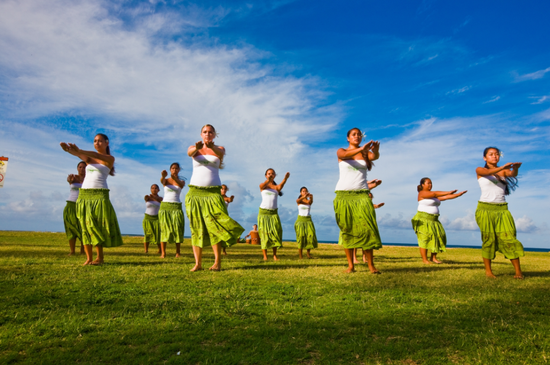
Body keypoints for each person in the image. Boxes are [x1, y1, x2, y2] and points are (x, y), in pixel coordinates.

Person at [186, 124, 244, 271]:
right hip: (195, 193)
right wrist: (198, 148)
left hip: (213, 193)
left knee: (216, 226)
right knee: (196, 227)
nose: (207, 134)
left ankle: (217, 262)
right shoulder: (193, 148)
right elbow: (190, 153)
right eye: (205, 132)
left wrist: (211, 147)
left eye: (210, 132)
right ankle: (198, 263)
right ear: (201, 134)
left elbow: (220, 152)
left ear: (214, 135)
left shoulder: (220, 149)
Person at [59, 133, 123, 265]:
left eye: (100, 141)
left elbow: (97, 155)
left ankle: (99, 258)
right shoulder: (89, 159)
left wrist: (79, 151)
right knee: (85, 225)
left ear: (107, 143)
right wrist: (68, 150)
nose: (97, 143)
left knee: (96, 225)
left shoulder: (109, 158)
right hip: (84, 195)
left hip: (100, 194)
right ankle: (88, 258)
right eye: (94, 141)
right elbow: (79, 155)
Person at [334, 128, 382, 274]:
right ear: (348, 138)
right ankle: (350, 266)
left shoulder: (365, 154)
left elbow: (375, 157)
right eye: (354, 134)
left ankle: (371, 266)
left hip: (362, 195)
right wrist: (362, 148)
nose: (357, 136)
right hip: (343, 195)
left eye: (359, 134)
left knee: (367, 228)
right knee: (347, 230)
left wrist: (376, 150)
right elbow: (346, 154)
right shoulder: (341, 151)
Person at [475, 147, 524, 279]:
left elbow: (512, 174)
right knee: (488, 240)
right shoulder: (480, 170)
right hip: (484, 209)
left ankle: (518, 272)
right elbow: (490, 172)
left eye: (497, 154)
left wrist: (516, 168)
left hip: (502, 210)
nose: (494, 156)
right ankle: (488, 272)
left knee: (510, 238)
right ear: (485, 158)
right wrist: (502, 167)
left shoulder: (503, 171)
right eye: (491, 154)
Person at [411, 177, 467, 264]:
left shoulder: (434, 196)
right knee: (424, 238)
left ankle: (433, 258)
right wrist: (448, 191)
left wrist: (458, 194)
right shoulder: (422, 193)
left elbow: (446, 197)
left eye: (431, 183)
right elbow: (435, 193)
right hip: (423, 219)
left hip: (434, 219)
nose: (430, 185)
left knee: (439, 236)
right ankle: (424, 260)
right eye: (428, 183)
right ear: (422, 185)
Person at [258, 168, 290, 261]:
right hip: (263, 213)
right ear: (266, 175)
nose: (270, 175)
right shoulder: (262, 186)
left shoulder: (276, 188)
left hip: (274, 213)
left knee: (275, 233)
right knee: (264, 234)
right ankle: (265, 256)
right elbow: (263, 184)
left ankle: (274, 255)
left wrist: (285, 178)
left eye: (272, 174)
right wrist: (268, 180)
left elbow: (281, 185)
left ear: (275, 176)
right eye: (268, 173)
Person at [353, 179, 384, 264]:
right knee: (356, 239)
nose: (369, 199)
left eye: (370, 198)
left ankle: (364, 257)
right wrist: (369, 183)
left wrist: (377, 206)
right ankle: (354, 258)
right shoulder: (359, 201)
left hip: (367, 222)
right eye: (368, 197)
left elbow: (373, 206)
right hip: (358, 221)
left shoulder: (370, 204)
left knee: (366, 240)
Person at [159, 163, 185, 258]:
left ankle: (178, 252)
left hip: (176, 206)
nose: (174, 170)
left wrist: (174, 178)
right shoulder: (166, 180)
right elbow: (162, 181)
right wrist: (163, 176)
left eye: (176, 168)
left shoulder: (181, 181)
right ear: (170, 170)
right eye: (172, 168)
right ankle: (163, 253)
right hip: (165, 206)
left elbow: (180, 185)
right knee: (164, 229)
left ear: (179, 170)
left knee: (177, 229)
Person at [63, 161, 86, 256]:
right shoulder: (73, 177)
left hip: (83, 205)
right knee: (71, 228)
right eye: (80, 167)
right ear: (77, 168)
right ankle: (72, 251)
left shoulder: (89, 179)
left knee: (83, 228)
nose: (82, 169)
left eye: (84, 167)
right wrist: (70, 180)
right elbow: (69, 181)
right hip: (71, 204)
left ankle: (83, 251)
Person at [295, 187, 318, 259]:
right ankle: (300, 255)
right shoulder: (299, 201)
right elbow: (297, 200)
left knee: (310, 236)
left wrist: (311, 197)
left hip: (308, 220)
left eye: (306, 191)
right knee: (301, 237)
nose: (304, 192)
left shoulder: (308, 202)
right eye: (303, 191)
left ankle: (308, 254)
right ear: (300, 193)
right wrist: (303, 197)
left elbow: (311, 201)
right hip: (300, 220)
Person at [143, 184, 163, 254]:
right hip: (148, 217)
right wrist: (148, 198)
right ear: (150, 189)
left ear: (158, 190)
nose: (154, 189)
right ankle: (146, 250)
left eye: (155, 188)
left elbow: (161, 201)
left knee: (158, 234)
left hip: (157, 218)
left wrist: (154, 198)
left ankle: (160, 250)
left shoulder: (161, 198)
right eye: (152, 188)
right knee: (147, 234)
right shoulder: (147, 197)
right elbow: (145, 198)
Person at [220, 184, 235, 255]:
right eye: (222, 189)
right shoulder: (217, 196)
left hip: (225, 216)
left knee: (225, 233)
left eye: (225, 189)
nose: (224, 190)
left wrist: (231, 199)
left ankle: (224, 250)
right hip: (217, 216)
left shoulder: (226, 197)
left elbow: (229, 200)